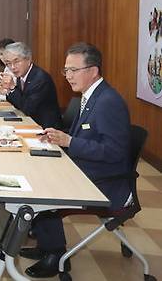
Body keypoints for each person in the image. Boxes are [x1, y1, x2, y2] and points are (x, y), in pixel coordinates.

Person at [20, 42, 132, 278]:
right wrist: (58, 138)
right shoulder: (91, 96)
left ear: (93, 71)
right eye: (66, 71)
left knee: (45, 189)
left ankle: (56, 255)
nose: (68, 76)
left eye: (74, 70)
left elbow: (114, 152)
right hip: (89, 168)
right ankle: (45, 245)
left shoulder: (107, 102)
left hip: (107, 182)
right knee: (39, 171)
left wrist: (69, 142)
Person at [0, 42, 62, 129]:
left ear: (28, 59)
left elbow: (27, 108)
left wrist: (12, 88)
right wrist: (7, 89)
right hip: (30, 122)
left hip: (45, 129)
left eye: (16, 61)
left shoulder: (40, 78)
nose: (12, 67)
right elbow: (18, 103)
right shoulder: (23, 74)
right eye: (8, 63)